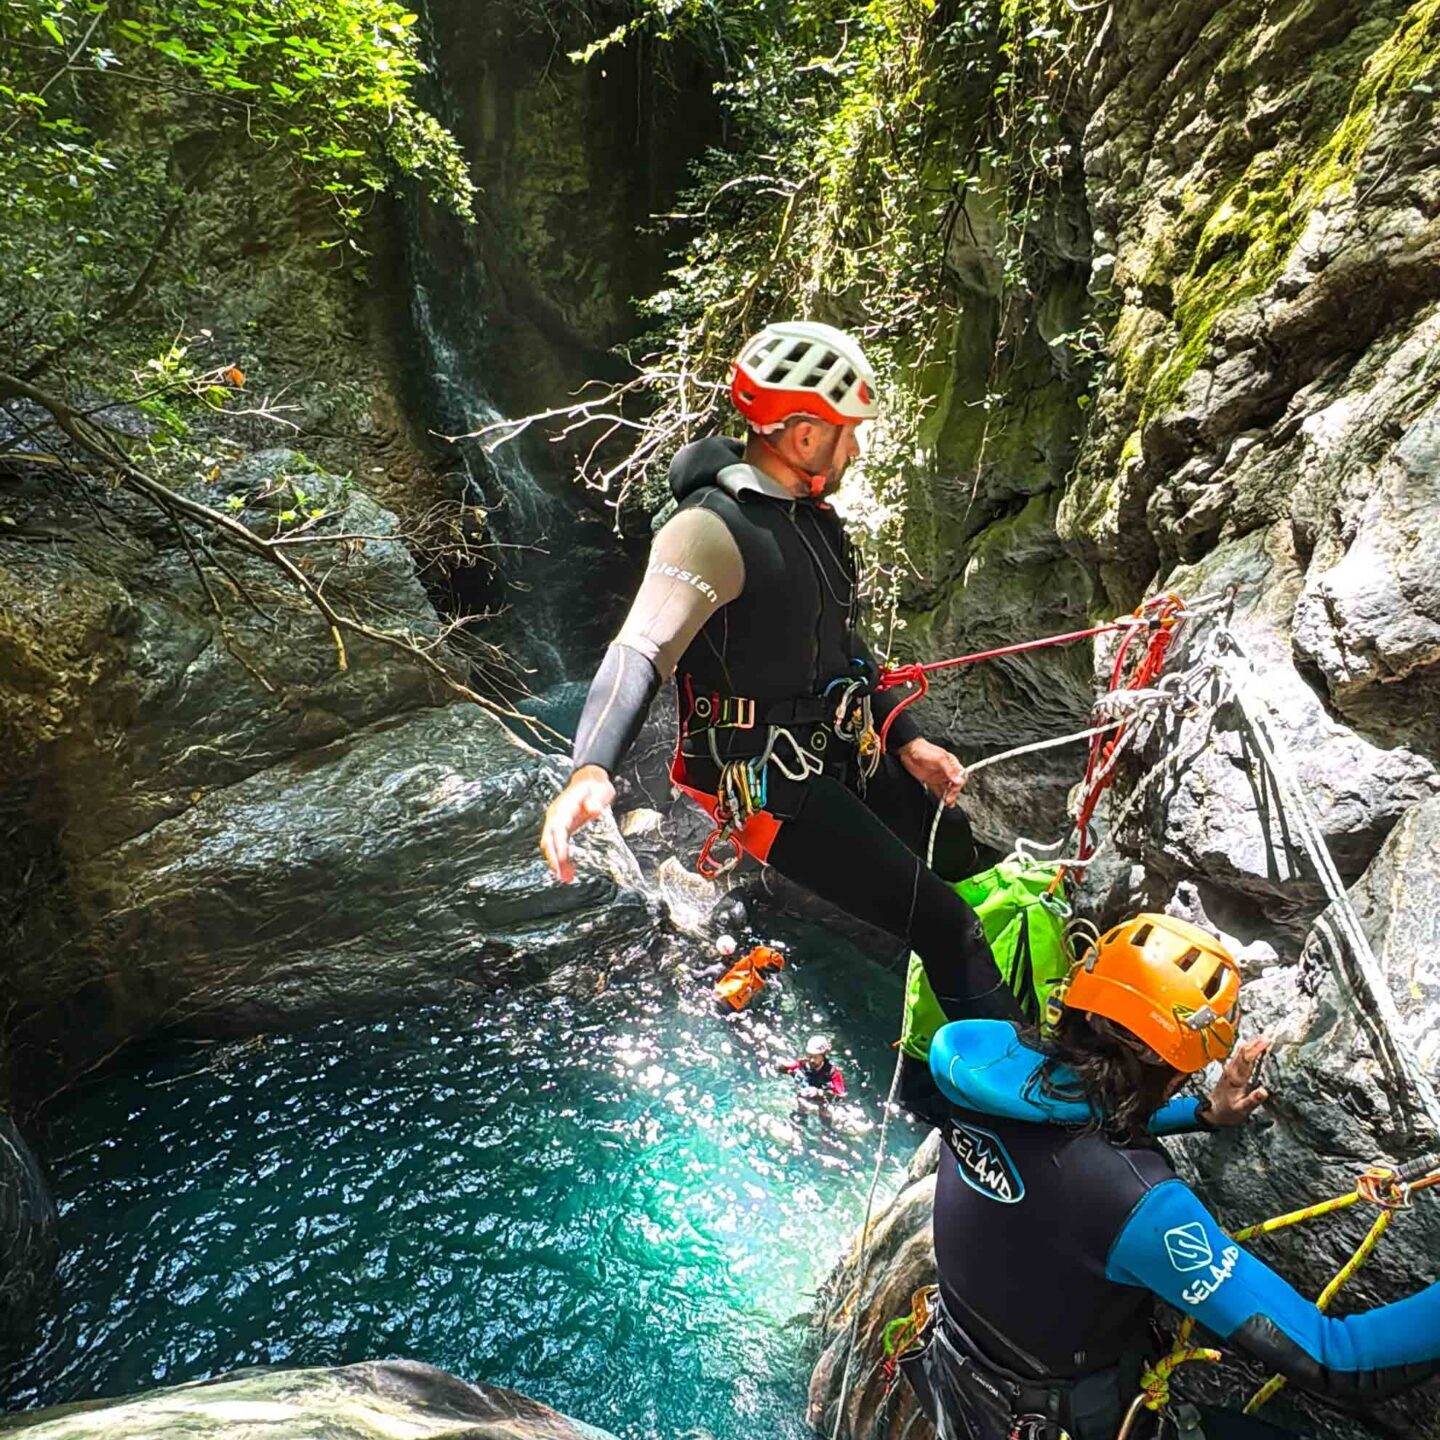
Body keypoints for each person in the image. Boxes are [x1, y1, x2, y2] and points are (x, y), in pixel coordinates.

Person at [540, 319, 1018, 1036]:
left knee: (956, 848)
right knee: (947, 926)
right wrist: (590, 770)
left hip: (833, 748)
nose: (855, 446)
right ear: (802, 436)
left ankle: (991, 997)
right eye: (847, 430)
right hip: (766, 784)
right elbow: (639, 648)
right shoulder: (709, 528)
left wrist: (907, 739)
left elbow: (839, 647)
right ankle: (1030, 1101)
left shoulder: (808, 520)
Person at [900, 912, 1440, 1440]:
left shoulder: (982, 1081)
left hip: (970, 1378)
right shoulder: (1139, 1204)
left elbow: (1068, 1117)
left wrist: (1200, 1115)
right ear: (1177, 1065)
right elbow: (1339, 1360)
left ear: (1079, 1003)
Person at [777, 1034, 847, 1107]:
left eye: (815, 1056)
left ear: (823, 1055)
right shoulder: (801, 1064)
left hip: (821, 1102)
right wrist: (783, 1066)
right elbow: (782, 1068)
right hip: (802, 1098)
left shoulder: (833, 1073)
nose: (811, 1060)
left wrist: (819, 1093)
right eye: (810, 1056)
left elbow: (841, 1095)